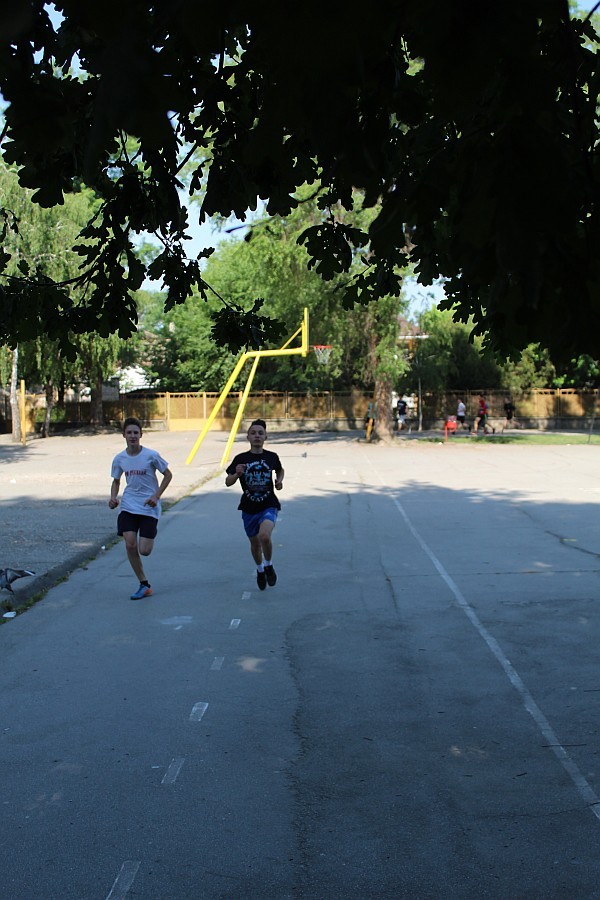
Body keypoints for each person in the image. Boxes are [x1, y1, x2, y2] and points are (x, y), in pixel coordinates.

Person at [108, 417, 173, 600]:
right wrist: (113, 497)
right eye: (129, 432)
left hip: (148, 506)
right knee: (130, 544)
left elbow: (168, 475)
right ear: (124, 435)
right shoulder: (119, 458)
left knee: (145, 550)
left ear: (141, 435)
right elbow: (116, 481)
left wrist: (156, 496)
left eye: (136, 433)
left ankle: (149, 531)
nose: (133, 436)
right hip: (128, 505)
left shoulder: (151, 455)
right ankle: (144, 584)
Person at [225, 419, 284, 591]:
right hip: (249, 508)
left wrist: (279, 480)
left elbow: (280, 469)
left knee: (264, 536)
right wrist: (237, 474)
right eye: (253, 433)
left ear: (265, 437)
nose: (257, 436)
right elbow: (228, 482)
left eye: (260, 433)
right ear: (248, 437)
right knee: (255, 544)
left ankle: (269, 565)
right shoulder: (241, 458)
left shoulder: (271, 457)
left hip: (269, 504)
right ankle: (260, 570)